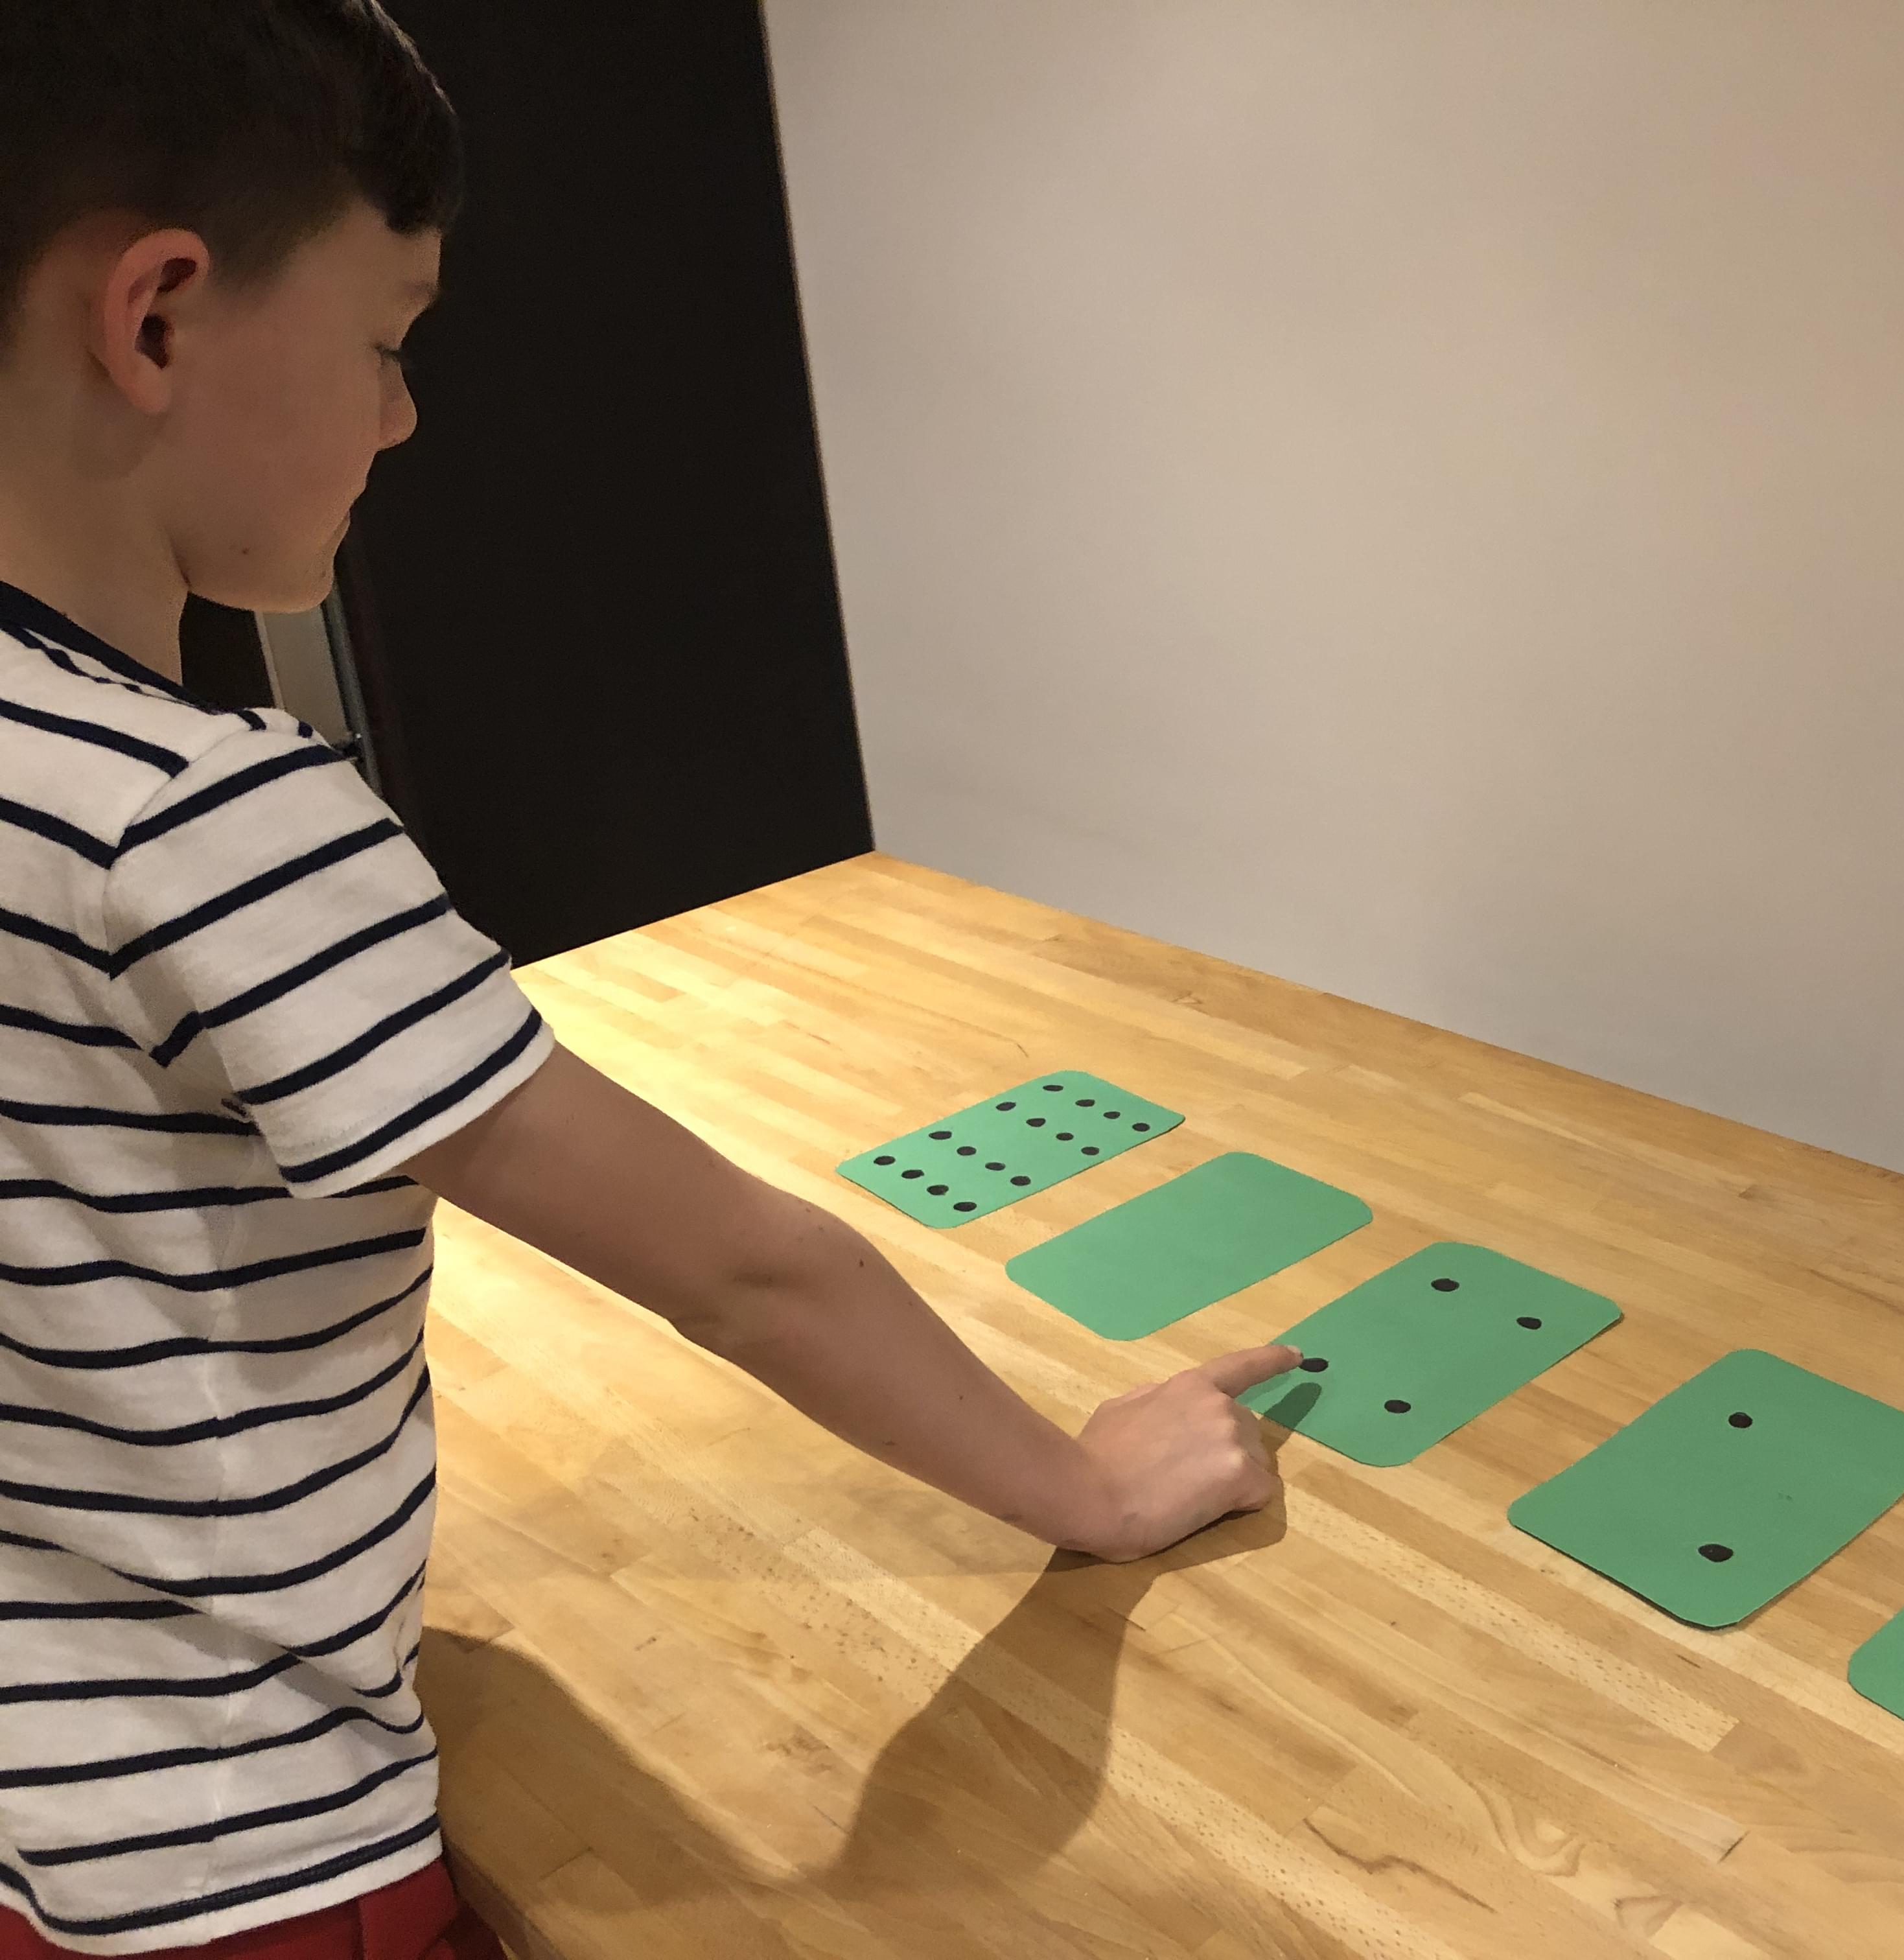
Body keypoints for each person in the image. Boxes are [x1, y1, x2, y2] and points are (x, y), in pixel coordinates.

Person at [0, 5, 1299, 1954]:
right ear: (161, 316)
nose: (401, 419)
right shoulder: (198, 823)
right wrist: (1089, 1486)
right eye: (387, 343)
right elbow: (749, 1267)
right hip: (240, 1860)